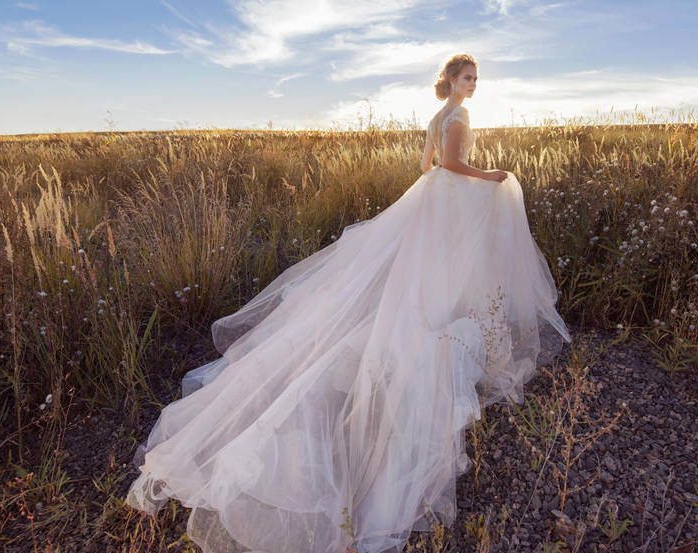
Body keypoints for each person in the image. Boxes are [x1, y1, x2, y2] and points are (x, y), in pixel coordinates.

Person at [126, 53, 572, 553]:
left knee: (420, 278)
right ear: (450, 79)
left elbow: (425, 168)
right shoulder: (460, 115)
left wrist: (449, 183)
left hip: (430, 201)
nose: (473, 84)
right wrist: (490, 175)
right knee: (442, 276)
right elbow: (448, 165)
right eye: (467, 77)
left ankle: (428, 322)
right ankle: (433, 332)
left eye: (475, 78)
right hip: (445, 203)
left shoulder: (437, 115)